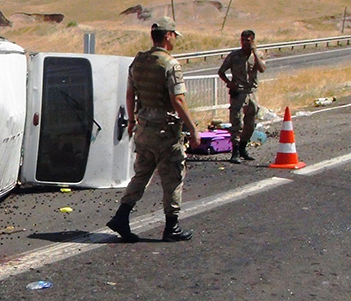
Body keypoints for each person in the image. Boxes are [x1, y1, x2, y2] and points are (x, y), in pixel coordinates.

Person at [106, 16, 201, 242]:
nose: (175, 40)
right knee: (173, 177)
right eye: (174, 36)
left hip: (143, 128)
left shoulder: (138, 61)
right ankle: (172, 227)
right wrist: (194, 129)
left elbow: (130, 95)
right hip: (165, 132)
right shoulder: (170, 64)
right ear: (168, 36)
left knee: (141, 174)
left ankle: (122, 215)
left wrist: (131, 121)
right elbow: (178, 100)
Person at [218, 30, 266, 163]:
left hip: (252, 92)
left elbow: (262, 69)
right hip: (238, 93)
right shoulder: (234, 56)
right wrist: (229, 83)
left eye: (248, 41)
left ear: (253, 41)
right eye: (243, 40)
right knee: (237, 122)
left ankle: (243, 147)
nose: (244, 43)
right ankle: (235, 152)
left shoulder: (257, 55)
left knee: (250, 123)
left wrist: (255, 52)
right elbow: (221, 71)